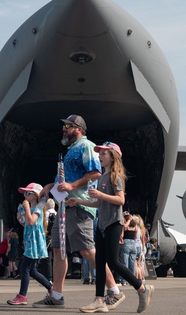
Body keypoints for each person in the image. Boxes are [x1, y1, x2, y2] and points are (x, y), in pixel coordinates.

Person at [37, 115, 113, 309]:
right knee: (58, 250)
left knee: (87, 250)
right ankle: (56, 295)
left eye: (68, 126)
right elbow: (64, 180)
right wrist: (49, 186)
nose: (64, 129)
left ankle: (113, 290)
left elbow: (95, 172)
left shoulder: (86, 146)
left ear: (78, 128)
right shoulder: (70, 150)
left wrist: (72, 185)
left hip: (79, 207)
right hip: (64, 207)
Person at [70, 142, 153, 314]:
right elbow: (98, 203)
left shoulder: (116, 176)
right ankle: (99, 300)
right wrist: (79, 201)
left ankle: (142, 288)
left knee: (113, 261)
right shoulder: (100, 178)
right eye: (100, 153)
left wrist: (100, 194)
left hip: (114, 223)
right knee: (100, 263)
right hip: (102, 224)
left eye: (104, 153)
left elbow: (120, 200)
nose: (100, 156)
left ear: (113, 157)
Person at [6, 183, 54, 305]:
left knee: (24, 268)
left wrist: (26, 208)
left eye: (28, 193)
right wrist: (20, 218)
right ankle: (50, 287)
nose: (26, 195)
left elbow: (31, 221)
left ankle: (22, 296)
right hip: (30, 242)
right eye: (25, 193)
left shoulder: (39, 207)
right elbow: (27, 223)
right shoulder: (34, 208)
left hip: (34, 242)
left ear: (35, 195)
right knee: (32, 270)